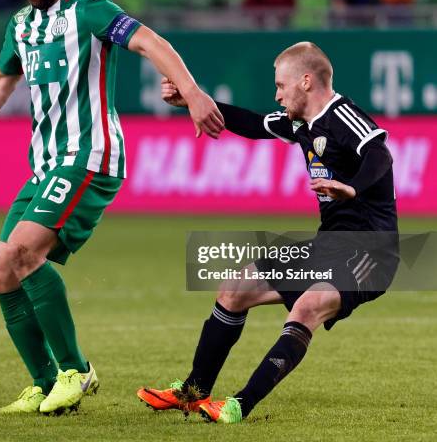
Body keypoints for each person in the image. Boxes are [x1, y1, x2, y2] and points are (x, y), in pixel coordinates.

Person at [0, 0, 223, 416]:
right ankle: (45, 386)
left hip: (89, 156)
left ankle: (76, 371)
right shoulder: (21, 24)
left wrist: (191, 92)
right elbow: (1, 83)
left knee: (24, 252)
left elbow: (150, 43)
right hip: (44, 164)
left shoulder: (90, 10)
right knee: (1, 270)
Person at [138, 41, 398, 423]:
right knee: (234, 288)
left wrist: (352, 188)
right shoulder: (298, 123)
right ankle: (194, 393)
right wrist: (195, 101)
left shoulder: (343, 116)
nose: (276, 94)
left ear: (306, 81)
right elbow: (252, 123)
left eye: (281, 85)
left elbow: (380, 153)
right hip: (329, 245)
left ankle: (238, 407)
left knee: (306, 307)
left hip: (371, 254)